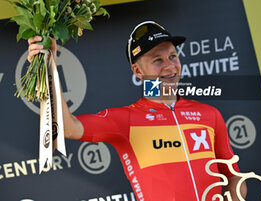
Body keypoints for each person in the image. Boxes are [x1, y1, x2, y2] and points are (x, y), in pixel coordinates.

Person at [27, 21, 247, 201]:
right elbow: (68, 127)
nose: (170, 66)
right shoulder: (126, 119)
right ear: (137, 71)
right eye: (157, 61)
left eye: (173, 56)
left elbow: (234, 177)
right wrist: (49, 67)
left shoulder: (209, 114)